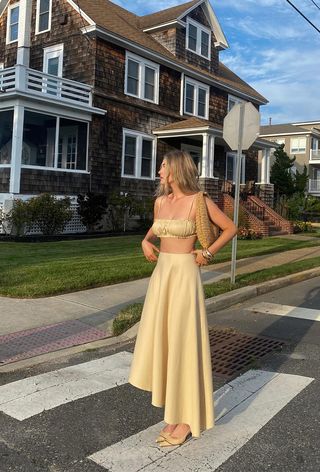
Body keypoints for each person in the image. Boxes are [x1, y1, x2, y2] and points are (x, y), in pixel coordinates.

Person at [128, 150, 237, 446]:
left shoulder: (198, 201)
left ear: (176, 169)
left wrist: (208, 252)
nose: (159, 171)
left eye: (163, 166)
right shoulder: (161, 202)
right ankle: (174, 414)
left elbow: (230, 228)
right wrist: (145, 242)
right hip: (162, 276)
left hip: (186, 276)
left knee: (184, 344)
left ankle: (188, 420)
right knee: (166, 343)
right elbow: (155, 229)